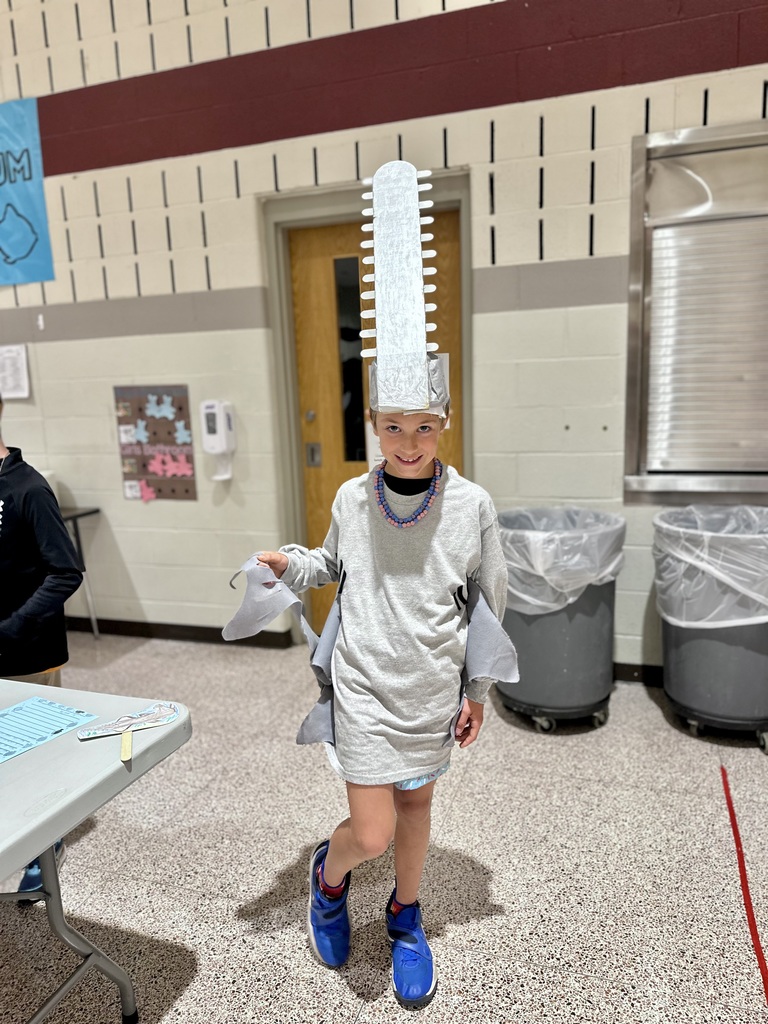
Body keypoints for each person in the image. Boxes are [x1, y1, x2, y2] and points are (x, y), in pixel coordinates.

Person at [257, 402, 513, 1009]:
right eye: (394, 426)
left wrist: (477, 692)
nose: (408, 441)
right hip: (365, 686)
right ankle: (329, 876)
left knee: (416, 808)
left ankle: (404, 916)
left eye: (424, 426)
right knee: (372, 833)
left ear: (446, 422)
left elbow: (490, 603)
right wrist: (291, 565)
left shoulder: (472, 504)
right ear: (373, 422)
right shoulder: (352, 496)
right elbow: (330, 563)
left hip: (430, 688)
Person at [0, 392, 84, 893]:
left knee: (35, 756)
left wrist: (13, 626)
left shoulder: (29, 490)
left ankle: (43, 845)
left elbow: (65, 572)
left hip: (27, 649)